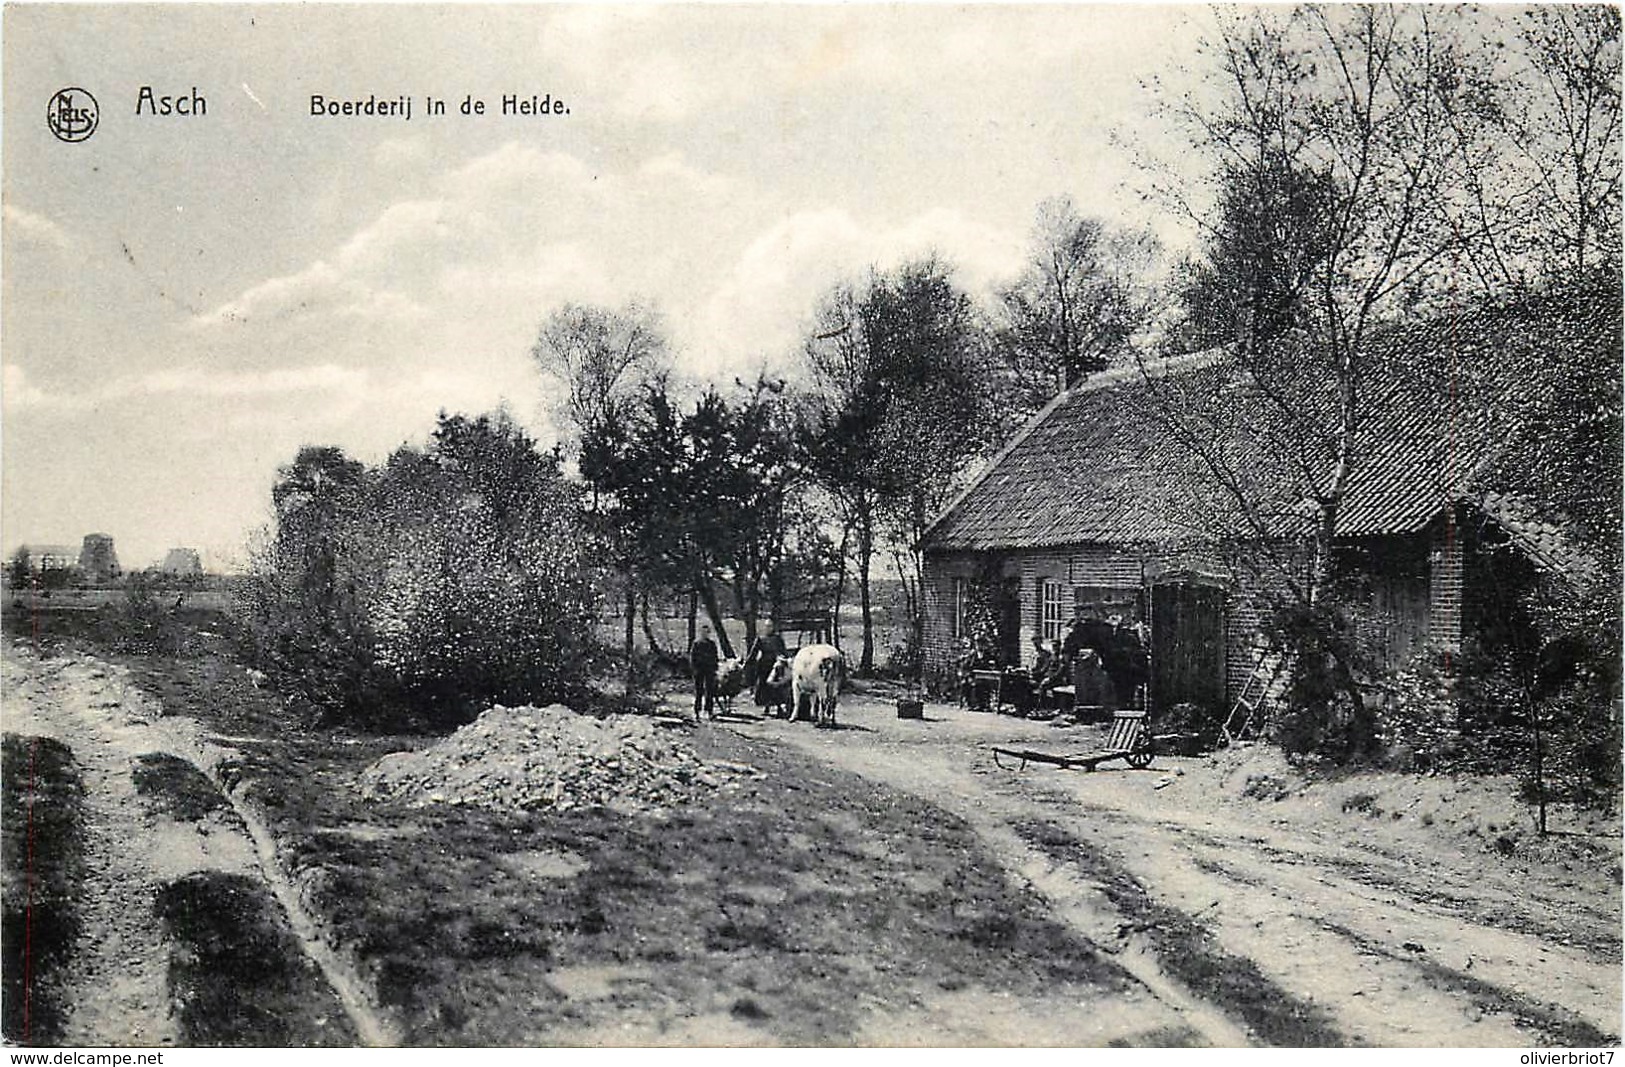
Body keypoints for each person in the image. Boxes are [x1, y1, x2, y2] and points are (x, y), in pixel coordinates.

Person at [745, 619, 789, 712]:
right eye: (767, 626)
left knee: (777, 686)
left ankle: (779, 707)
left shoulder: (778, 639)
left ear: (773, 627)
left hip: (776, 665)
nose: (768, 628)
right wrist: (747, 663)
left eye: (770, 626)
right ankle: (766, 706)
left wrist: (784, 659)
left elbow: (783, 651)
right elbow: (753, 653)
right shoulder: (760, 639)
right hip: (764, 664)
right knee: (764, 686)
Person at [690, 623, 720, 721]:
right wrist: (694, 668)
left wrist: (715, 669)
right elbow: (692, 657)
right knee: (699, 691)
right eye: (703, 632)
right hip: (699, 670)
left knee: (710, 691)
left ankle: (709, 711)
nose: (705, 634)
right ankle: (697, 712)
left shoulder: (712, 644)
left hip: (709, 670)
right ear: (700, 633)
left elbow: (715, 657)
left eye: (707, 632)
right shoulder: (696, 644)